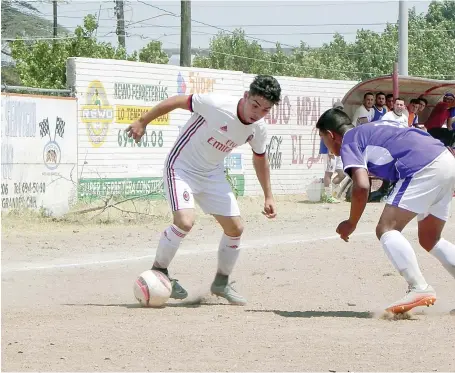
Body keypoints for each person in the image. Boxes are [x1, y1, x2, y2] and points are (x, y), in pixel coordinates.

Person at [126, 75, 281, 305]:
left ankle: (221, 282)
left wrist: (268, 195)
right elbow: (178, 101)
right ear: (246, 96)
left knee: (236, 228)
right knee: (185, 222)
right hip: (181, 167)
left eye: (265, 110)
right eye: (255, 105)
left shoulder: (258, 129)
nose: (257, 113)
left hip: (212, 174)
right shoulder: (217, 105)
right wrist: (142, 121)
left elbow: (260, 159)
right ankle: (160, 272)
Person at [316, 108, 455, 314]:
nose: (327, 146)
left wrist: (351, 222)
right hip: (446, 160)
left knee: (386, 228)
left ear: (330, 135)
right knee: (430, 238)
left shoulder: (349, 140)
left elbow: (362, 186)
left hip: (422, 167)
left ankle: (419, 287)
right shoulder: (373, 128)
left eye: (323, 140)